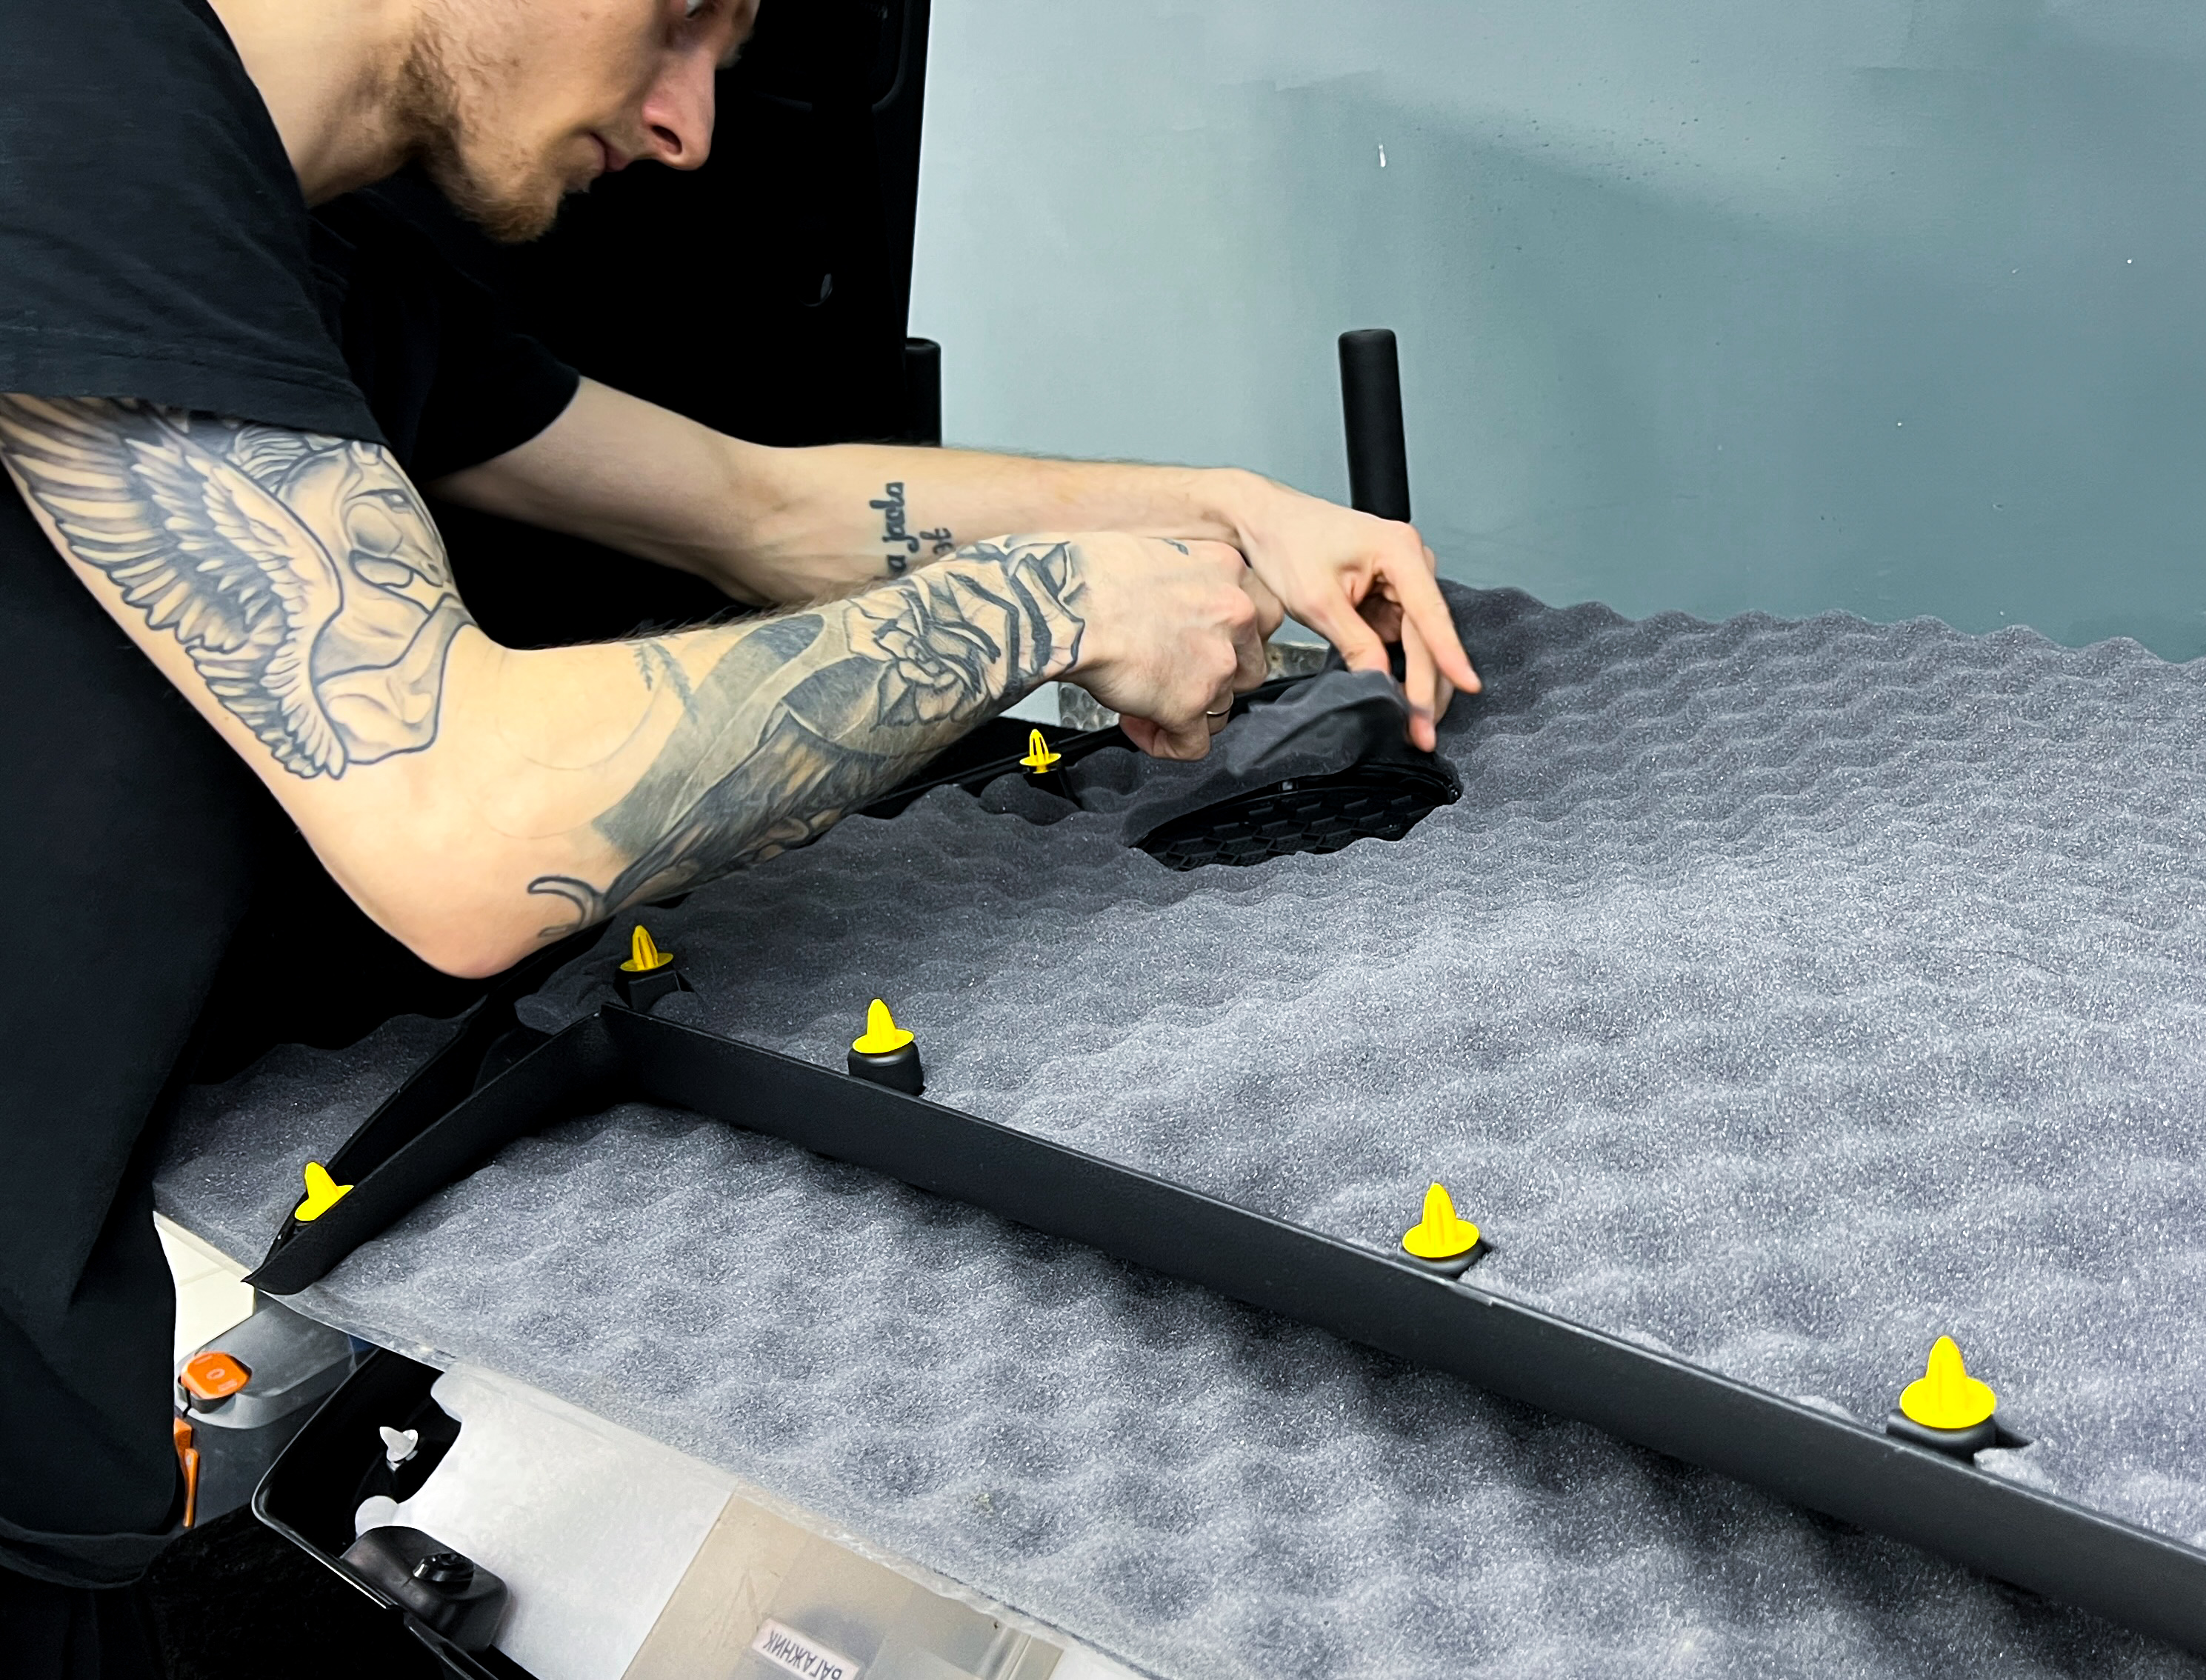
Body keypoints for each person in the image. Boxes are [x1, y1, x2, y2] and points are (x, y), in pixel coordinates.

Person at [0, 0, 1481, 1664]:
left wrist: (1220, 516)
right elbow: (462, 829)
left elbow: (753, 507)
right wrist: (1050, 603)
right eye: (682, 16)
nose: (689, 123)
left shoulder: (295, 247)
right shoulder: (73, 104)